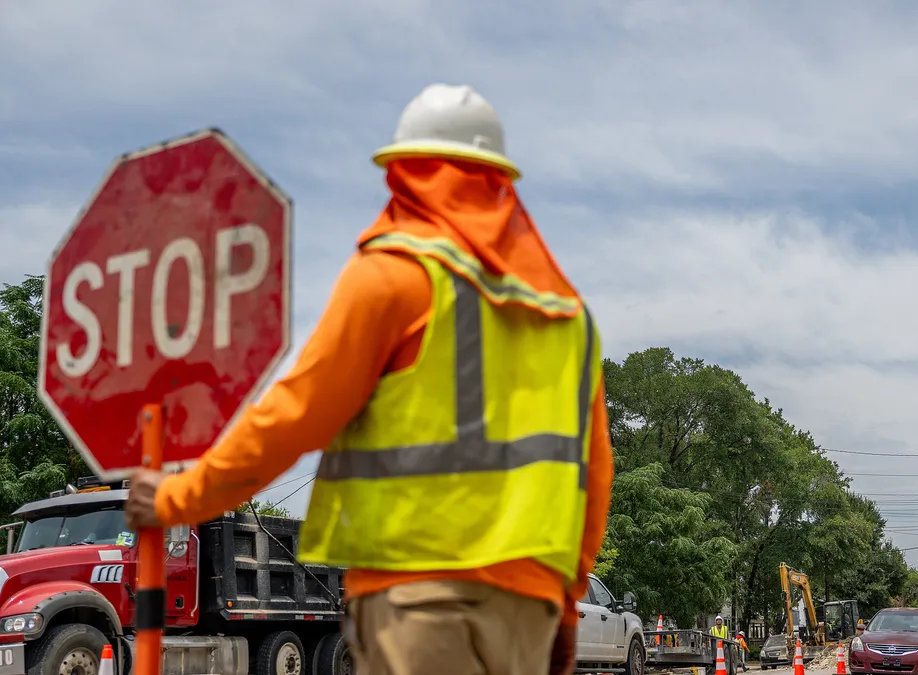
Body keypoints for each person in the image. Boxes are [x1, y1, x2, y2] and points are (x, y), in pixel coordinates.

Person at [124, 83, 614, 675]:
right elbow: (593, 477)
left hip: (420, 594)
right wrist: (566, 602)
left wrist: (180, 498)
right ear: (498, 182)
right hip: (528, 605)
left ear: (405, 173)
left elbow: (294, 416)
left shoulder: (394, 277)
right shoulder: (566, 316)